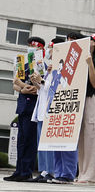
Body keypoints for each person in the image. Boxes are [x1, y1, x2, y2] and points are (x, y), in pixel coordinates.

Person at [5, 37, 44, 182]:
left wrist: (27, 88)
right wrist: (22, 89)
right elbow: (15, 84)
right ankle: (19, 170)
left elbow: (40, 87)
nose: (31, 49)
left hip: (33, 107)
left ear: (41, 49)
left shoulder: (41, 66)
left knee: (29, 140)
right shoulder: (24, 65)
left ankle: (26, 171)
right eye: (29, 46)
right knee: (21, 140)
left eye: (35, 47)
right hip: (22, 105)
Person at [49, 32, 86, 184]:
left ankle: (68, 173)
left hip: (73, 100)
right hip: (59, 100)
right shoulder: (61, 57)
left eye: (73, 40)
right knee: (57, 138)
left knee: (69, 140)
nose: (70, 42)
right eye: (68, 39)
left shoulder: (83, 56)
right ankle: (59, 172)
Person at [30, 38, 61, 183]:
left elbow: (55, 88)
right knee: (41, 143)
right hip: (41, 109)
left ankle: (51, 171)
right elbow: (41, 90)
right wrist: (36, 81)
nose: (49, 51)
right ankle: (43, 170)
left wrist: (42, 81)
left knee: (48, 143)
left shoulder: (60, 67)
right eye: (49, 48)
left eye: (51, 48)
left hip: (50, 111)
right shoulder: (47, 68)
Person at [76, 34, 95, 184]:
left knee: (93, 137)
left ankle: (91, 175)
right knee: (82, 139)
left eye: (92, 40)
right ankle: (82, 173)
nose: (89, 43)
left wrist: (89, 64)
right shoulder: (81, 58)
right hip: (81, 99)